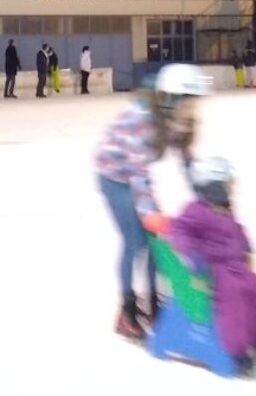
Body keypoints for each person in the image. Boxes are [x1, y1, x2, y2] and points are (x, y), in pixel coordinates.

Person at [95, 63, 208, 340]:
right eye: (187, 103)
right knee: (136, 242)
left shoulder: (180, 119)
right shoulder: (140, 117)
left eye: (193, 104)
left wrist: (207, 197)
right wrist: (149, 214)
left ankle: (153, 303)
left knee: (157, 243)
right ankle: (126, 310)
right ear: (169, 99)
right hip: (113, 176)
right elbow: (138, 174)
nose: (191, 111)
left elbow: (188, 163)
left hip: (135, 176)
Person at [165, 157, 256, 375]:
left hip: (235, 265)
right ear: (215, 186)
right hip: (211, 269)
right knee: (234, 295)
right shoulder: (196, 210)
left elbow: (237, 230)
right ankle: (236, 351)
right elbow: (179, 230)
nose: (232, 189)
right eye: (229, 184)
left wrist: (247, 245)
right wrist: (193, 254)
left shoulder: (225, 210)